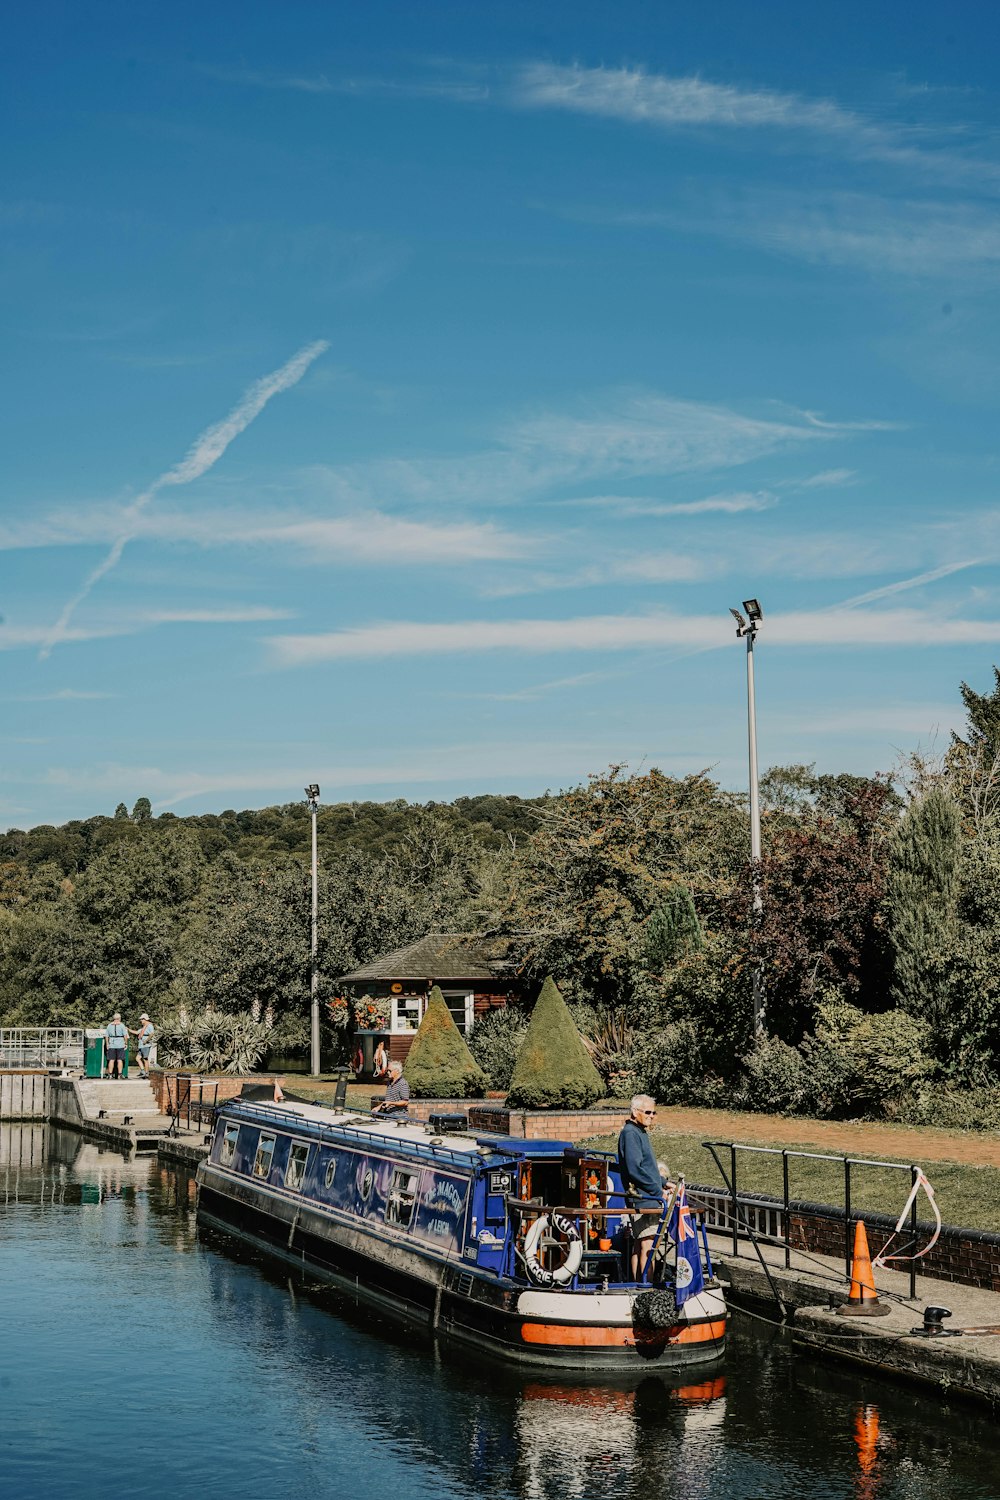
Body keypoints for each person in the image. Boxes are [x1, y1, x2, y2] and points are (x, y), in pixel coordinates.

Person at [617, 1094, 672, 1279]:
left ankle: (637, 1282)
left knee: (640, 1243)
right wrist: (658, 1192)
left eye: (654, 1112)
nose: (651, 1116)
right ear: (635, 1112)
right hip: (645, 1198)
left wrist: (664, 1182)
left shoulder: (639, 1132)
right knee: (648, 1246)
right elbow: (635, 1169)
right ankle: (645, 1287)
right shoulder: (631, 1133)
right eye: (647, 1112)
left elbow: (647, 1166)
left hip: (645, 1196)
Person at [104, 1012, 129, 1080]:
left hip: (111, 1044)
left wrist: (107, 1044)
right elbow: (125, 1035)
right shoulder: (122, 1025)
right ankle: (119, 1075)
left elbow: (106, 1036)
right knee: (119, 1060)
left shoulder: (109, 1025)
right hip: (120, 1044)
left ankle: (110, 1075)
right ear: (119, 1018)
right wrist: (126, 1043)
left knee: (111, 1060)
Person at [131, 1013, 155, 1078]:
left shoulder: (149, 1025)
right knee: (137, 1058)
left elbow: (152, 1033)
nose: (141, 1021)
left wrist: (146, 1040)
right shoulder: (144, 1027)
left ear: (145, 1019)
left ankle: (146, 1073)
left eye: (141, 1019)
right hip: (141, 1045)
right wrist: (128, 1029)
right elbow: (137, 1032)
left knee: (145, 1059)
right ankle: (142, 1071)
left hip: (145, 1045)